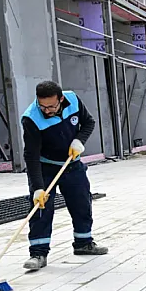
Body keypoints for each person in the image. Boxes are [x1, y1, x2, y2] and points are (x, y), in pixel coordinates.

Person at [21, 81, 108, 270]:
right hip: (45, 166)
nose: (47, 111)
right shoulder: (31, 118)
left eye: (51, 106)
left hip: (72, 164)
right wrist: (38, 188)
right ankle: (38, 253)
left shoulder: (73, 100)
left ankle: (84, 243)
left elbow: (89, 122)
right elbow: (31, 155)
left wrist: (79, 141)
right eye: (42, 106)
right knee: (41, 208)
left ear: (61, 99)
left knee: (81, 202)